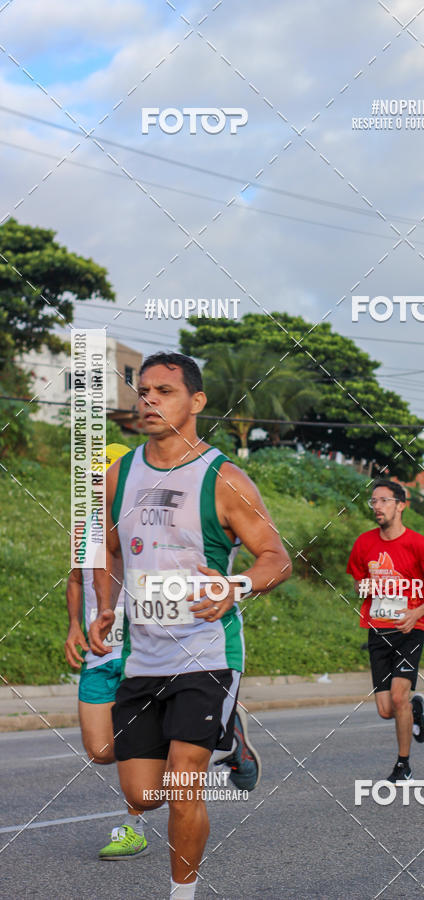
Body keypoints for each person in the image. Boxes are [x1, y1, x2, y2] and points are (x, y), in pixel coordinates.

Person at [89, 352, 291, 899]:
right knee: (144, 794)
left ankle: (183, 893)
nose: (149, 400)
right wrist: (106, 605)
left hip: (206, 654)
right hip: (142, 657)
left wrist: (235, 586)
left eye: (165, 391)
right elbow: (107, 550)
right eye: (143, 391)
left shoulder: (223, 478)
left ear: (196, 401)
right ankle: (233, 738)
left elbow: (276, 558)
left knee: (183, 785)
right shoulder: (120, 475)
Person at [64, 442, 149, 859]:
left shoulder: (142, 526)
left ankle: (134, 827)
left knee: (134, 740)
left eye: (105, 477)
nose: (98, 485)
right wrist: (72, 627)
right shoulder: (83, 529)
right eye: (93, 479)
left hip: (140, 653)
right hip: (98, 653)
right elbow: (75, 580)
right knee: (101, 751)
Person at [346, 479, 424, 783]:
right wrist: (365, 587)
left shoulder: (419, 544)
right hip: (378, 630)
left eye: (383, 500)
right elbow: (358, 583)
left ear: (400, 505)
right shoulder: (364, 543)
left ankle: (403, 765)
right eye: (373, 501)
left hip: (409, 630)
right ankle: (415, 709)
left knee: (399, 696)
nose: (377, 507)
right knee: (386, 710)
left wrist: (415, 614)